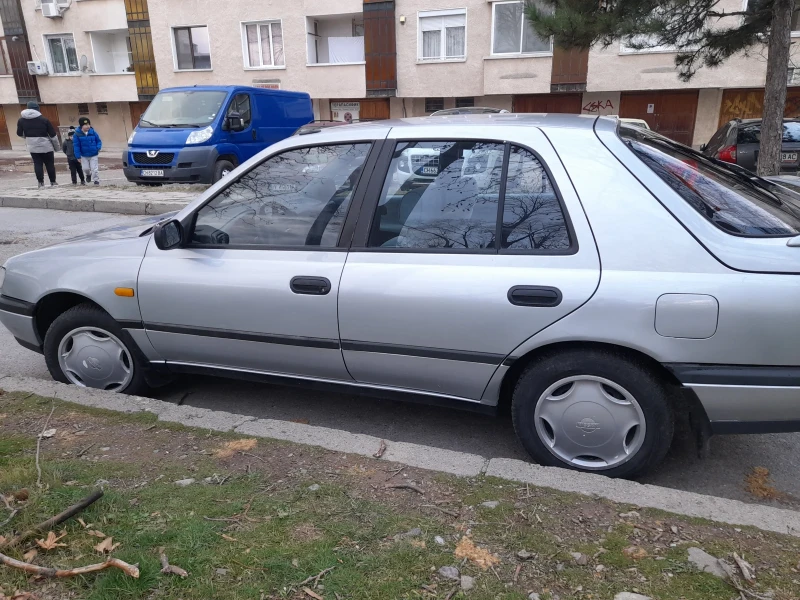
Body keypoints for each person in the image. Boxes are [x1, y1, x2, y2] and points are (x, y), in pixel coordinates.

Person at [16, 101, 60, 189]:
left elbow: (19, 133)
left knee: (37, 164)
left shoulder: (21, 120)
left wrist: (28, 137)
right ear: (37, 109)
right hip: (46, 146)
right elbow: (53, 135)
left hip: (32, 146)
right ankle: (53, 182)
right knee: (49, 164)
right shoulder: (44, 120)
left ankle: (41, 183)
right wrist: (57, 148)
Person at [74, 116, 102, 186]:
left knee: (94, 169)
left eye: (88, 124)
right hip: (84, 155)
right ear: (81, 126)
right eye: (85, 125)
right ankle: (88, 175)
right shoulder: (77, 134)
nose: (87, 126)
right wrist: (78, 156)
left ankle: (96, 181)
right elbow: (76, 146)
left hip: (93, 154)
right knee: (85, 168)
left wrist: (98, 148)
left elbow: (99, 141)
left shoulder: (93, 132)